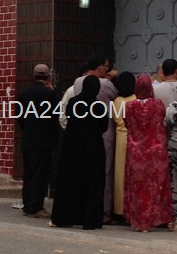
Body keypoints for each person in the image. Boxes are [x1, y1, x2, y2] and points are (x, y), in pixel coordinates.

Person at [50, 75, 109, 229]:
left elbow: (68, 117)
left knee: (71, 182)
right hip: (93, 148)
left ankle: (66, 217)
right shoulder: (99, 106)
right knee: (92, 185)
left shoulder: (74, 102)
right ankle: (90, 220)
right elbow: (104, 127)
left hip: (73, 147)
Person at [123, 74, 174, 232]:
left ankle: (140, 220)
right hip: (156, 150)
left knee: (138, 186)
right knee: (158, 185)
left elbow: (127, 124)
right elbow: (162, 118)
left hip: (136, 151)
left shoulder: (129, 106)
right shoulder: (158, 105)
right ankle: (161, 218)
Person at [73, 53, 118, 223]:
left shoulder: (78, 81)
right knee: (104, 172)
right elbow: (116, 94)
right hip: (103, 133)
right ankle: (104, 211)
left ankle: (81, 206)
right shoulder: (105, 84)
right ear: (100, 67)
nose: (108, 68)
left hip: (82, 132)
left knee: (83, 170)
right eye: (106, 66)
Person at [17, 64, 58, 219]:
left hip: (28, 139)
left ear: (33, 76)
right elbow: (55, 116)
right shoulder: (50, 94)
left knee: (29, 174)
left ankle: (27, 205)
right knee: (41, 175)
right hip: (44, 140)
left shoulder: (24, 94)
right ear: (48, 77)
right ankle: (36, 207)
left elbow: (20, 118)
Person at [111, 71, 136, 221]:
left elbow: (115, 118)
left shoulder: (117, 101)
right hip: (134, 137)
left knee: (120, 174)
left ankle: (119, 209)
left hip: (120, 137)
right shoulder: (136, 99)